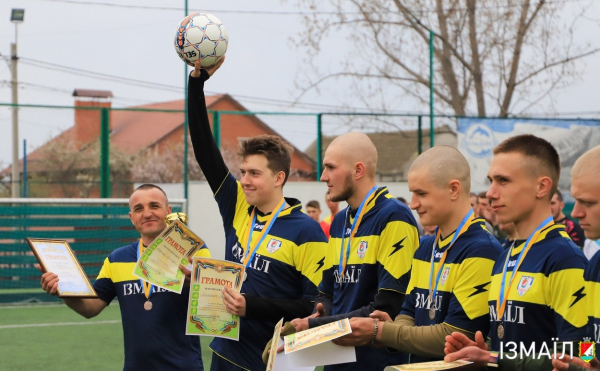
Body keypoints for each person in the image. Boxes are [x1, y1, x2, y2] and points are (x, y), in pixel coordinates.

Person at [187, 57, 328, 371]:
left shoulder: (307, 231)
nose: (245, 180)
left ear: (279, 178)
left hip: (272, 362)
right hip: (224, 353)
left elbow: (312, 307)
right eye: (242, 172)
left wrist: (252, 307)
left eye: (254, 173)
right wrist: (196, 83)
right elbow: (203, 149)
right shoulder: (237, 204)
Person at [332, 146, 502, 363]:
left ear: (453, 189)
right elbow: (407, 312)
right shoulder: (425, 247)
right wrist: (393, 331)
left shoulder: (481, 250)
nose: (413, 204)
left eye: (421, 193)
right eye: (412, 193)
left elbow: (454, 335)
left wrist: (383, 332)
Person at [444, 134, 588, 370]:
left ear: (541, 187)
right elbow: (516, 342)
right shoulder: (506, 254)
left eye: (503, 180)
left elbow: (582, 353)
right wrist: (485, 351)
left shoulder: (566, 258)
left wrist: (495, 359)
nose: (490, 193)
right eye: (491, 180)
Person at [39, 184, 211, 371]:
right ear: (131, 218)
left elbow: (212, 308)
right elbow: (90, 308)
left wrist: (195, 284)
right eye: (139, 209)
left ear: (168, 211)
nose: (147, 214)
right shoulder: (116, 260)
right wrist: (63, 289)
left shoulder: (194, 252)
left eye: (154, 206)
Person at [288, 132, 420, 371]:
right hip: (336, 360)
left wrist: (321, 326)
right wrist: (319, 315)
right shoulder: (339, 221)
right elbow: (328, 293)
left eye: (330, 167)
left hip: (376, 363)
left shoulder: (394, 216)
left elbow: (386, 307)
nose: (323, 176)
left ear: (358, 170)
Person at [552, 145, 600, 371]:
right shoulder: (595, 266)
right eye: (576, 200)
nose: (576, 212)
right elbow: (588, 337)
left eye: (588, 203)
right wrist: (587, 364)